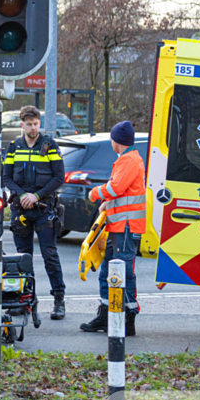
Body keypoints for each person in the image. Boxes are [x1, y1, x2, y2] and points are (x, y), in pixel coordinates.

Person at [80, 120, 145, 337]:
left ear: (117, 140)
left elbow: (116, 187)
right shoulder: (128, 159)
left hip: (126, 226)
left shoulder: (128, 160)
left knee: (123, 272)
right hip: (118, 226)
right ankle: (106, 314)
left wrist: (95, 193)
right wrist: (109, 203)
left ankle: (127, 318)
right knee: (109, 271)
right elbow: (124, 192)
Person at [2, 105, 67, 321]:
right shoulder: (14, 147)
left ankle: (59, 300)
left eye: (36, 123)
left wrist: (36, 196)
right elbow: (6, 177)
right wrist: (21, 195)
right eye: (29, 124)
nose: (33, 128)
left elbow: (59, 178)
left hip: (43, 209)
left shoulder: (49, 146)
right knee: (23, 258)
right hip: (20, 209)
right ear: (21, 125)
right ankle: (25, 300)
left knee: (50, 255)